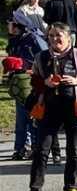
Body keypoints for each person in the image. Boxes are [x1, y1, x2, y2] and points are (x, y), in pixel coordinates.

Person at [22, 21, 77, 191]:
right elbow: (33, 81)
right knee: (41, 149)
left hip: (74, 108)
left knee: (74, 150)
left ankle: (71, 189)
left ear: (68, 38)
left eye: (59, 36)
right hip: (48, 108)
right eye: (51, 36)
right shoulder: (41, 57)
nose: (54, 39)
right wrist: (45, 84)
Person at [5, 16, 42, 160]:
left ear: (18, 26)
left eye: (10, 23)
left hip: (30, 82)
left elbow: (43, 56)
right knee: (21, 120)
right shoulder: (14, 40)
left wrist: (33, 69)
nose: (8, 26)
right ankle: (19, 149)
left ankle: (34, 148)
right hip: (17, 82)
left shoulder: (33, 39)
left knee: (31, 117)